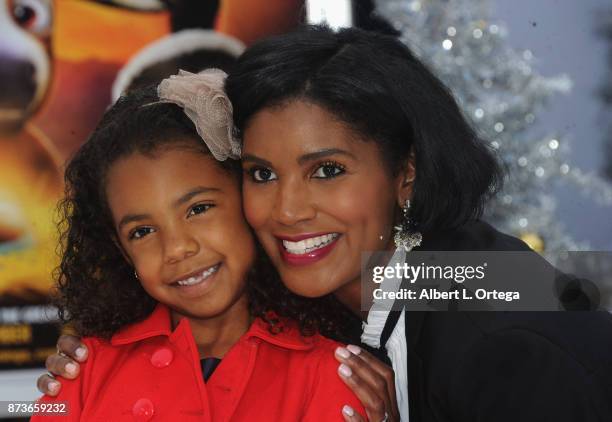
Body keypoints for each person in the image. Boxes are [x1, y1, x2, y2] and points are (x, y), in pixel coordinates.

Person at [40, 26, 612, 421]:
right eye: (262, 174)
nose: (288, 210)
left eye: (327, 170)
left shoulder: (503, 350)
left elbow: (542, 322)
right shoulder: (428, 276)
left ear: (405, 172)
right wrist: (101, 347)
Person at [32, 69, 369, 421]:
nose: (177, 248)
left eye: (198, 209)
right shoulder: (84, 368)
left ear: (247, 200)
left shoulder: (333, 372)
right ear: (121, 250)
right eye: (142, 231)